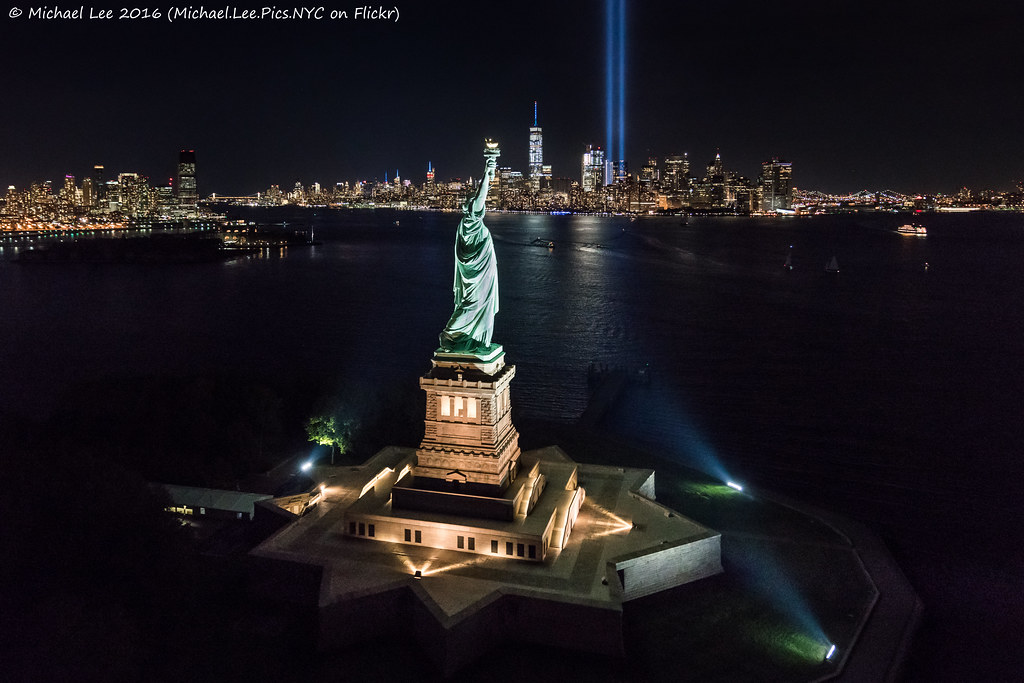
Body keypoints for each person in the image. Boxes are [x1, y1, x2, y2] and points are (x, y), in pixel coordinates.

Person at [439, 153, 499, 354]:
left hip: (477, 271)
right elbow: (481, 194)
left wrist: (488, 172)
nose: (476, 201)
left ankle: (470, 339)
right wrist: (487, 172)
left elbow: (480, 195)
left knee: (471, 303)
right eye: (472, 200)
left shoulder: (464, 225)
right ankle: (451, 333)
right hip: (480, 272)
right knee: (473, 304)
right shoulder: (471, 220)